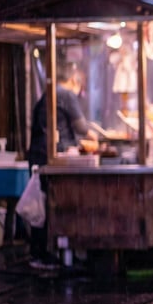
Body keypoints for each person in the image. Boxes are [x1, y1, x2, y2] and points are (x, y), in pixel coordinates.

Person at [26, 65, 97, 269]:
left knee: (43, 206)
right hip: (50, 160)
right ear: (75, 81)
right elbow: (82, 127)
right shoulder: (65, 94)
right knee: (50, 205)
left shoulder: (49, 94)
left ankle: (42, 252)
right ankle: (45, 253)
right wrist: (96, 137)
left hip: (40, 157)